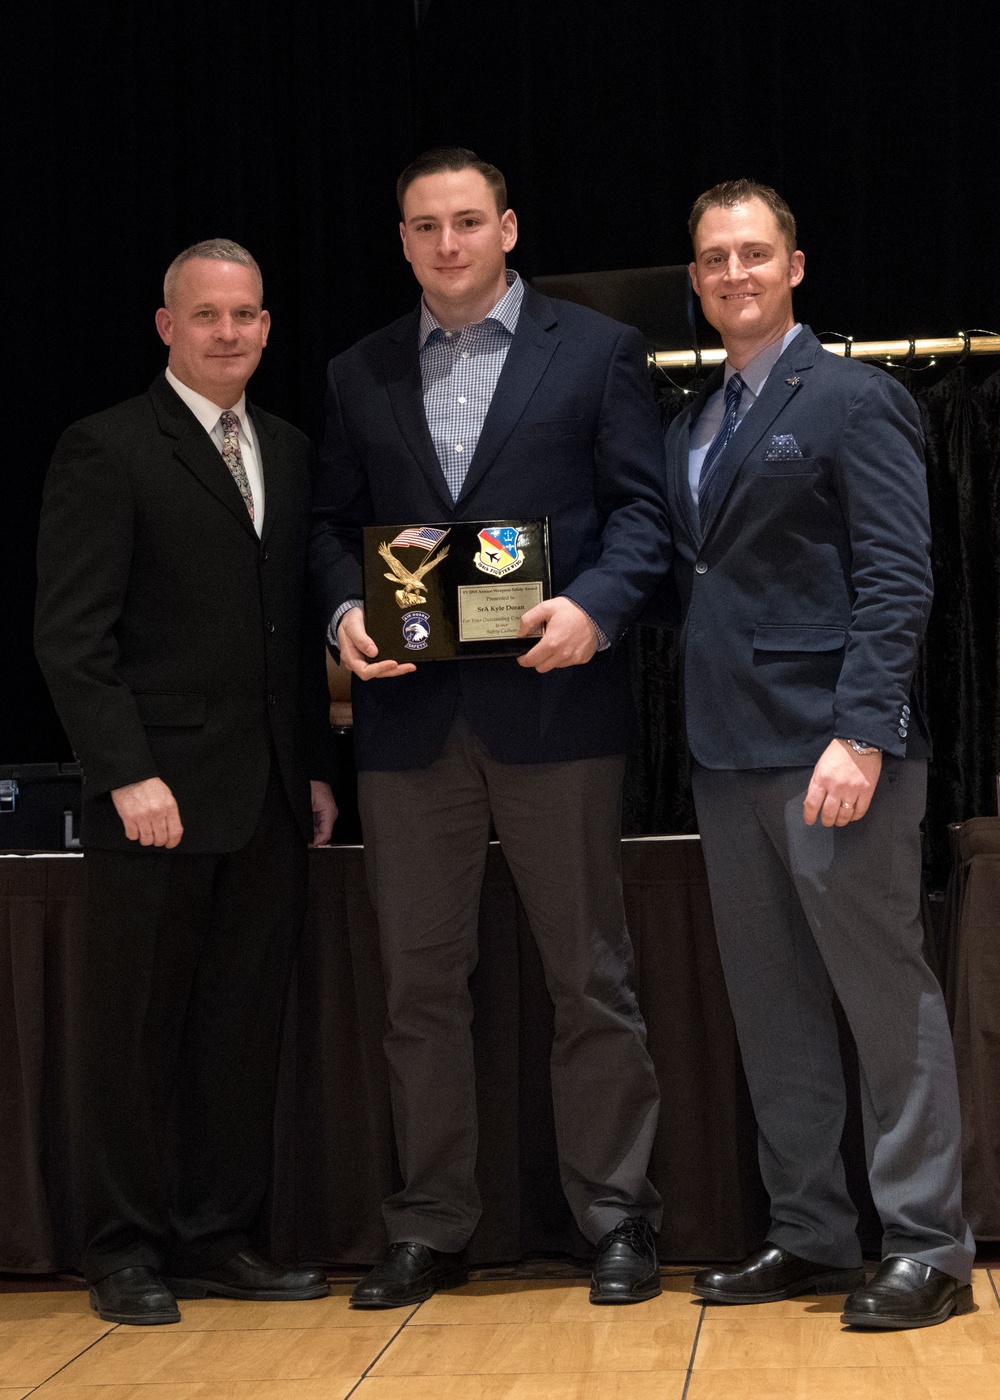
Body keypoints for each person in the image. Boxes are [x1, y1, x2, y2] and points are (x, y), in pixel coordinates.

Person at [310, 147, 670, 1308]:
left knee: (589, 977)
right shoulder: (356, 372)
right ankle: (429, 1221)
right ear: (404, 240)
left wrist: (597, 608)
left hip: (558, 704)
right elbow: (327, 529)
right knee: (418, 986)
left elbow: (643, 518)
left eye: (469, 221)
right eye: (426, 226)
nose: (448, 244)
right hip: (410, 721)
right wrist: (341, 608)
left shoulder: (599, 352)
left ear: (508, 228)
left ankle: (617, 1217)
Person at [662, 180, 974, 1329]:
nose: (732, 272)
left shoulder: (855, 396)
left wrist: (861, 730)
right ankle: (810, 1229)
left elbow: (899, 578)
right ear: (693, 280)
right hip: (726, 753)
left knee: (884, 998)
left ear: (795, 265)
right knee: (774, 1008)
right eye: (711, 258)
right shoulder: (692, 421)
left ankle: (929, 1245)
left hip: (835, 755)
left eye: (753, 252)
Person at [34, 239, 337, 1326]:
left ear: (265, 326)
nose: (229, 332)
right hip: (151, 799)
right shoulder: (106, 448)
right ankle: (122, 1245)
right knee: (133, 1032)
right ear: (167, 325)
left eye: (247, 314)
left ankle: (220, 1235)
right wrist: (125, 772)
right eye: (207, 314)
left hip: (263, 793)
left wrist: (308, 768)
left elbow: (286, 631)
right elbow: (72, 639)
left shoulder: (291, 449)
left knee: (240, 1025)